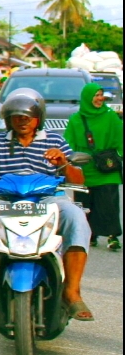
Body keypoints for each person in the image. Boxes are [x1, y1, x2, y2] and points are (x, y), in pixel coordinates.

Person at [0, 89, 94, 321]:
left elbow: (78, 179)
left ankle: (72, 291)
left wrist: (63, 163)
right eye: (17, 117)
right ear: (8, 120)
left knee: (76, 217)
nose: (22, 121)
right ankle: (1, 283)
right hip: (8, 200)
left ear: (38, 118)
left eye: (27, 117)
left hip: (48, 199)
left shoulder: (55, 139)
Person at [64, 83, 123, 251]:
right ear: (87, 98)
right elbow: (69, 143)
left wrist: (119, 155)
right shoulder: (76, 119)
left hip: (107, 168)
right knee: (85, 204)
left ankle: (113, 236)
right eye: (95, 95)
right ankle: (90, 234)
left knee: (108, 204)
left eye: (101, 95)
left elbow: (120, 138)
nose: (99, 99)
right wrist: (68, 161)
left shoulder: (111, 116)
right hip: (84, 168)